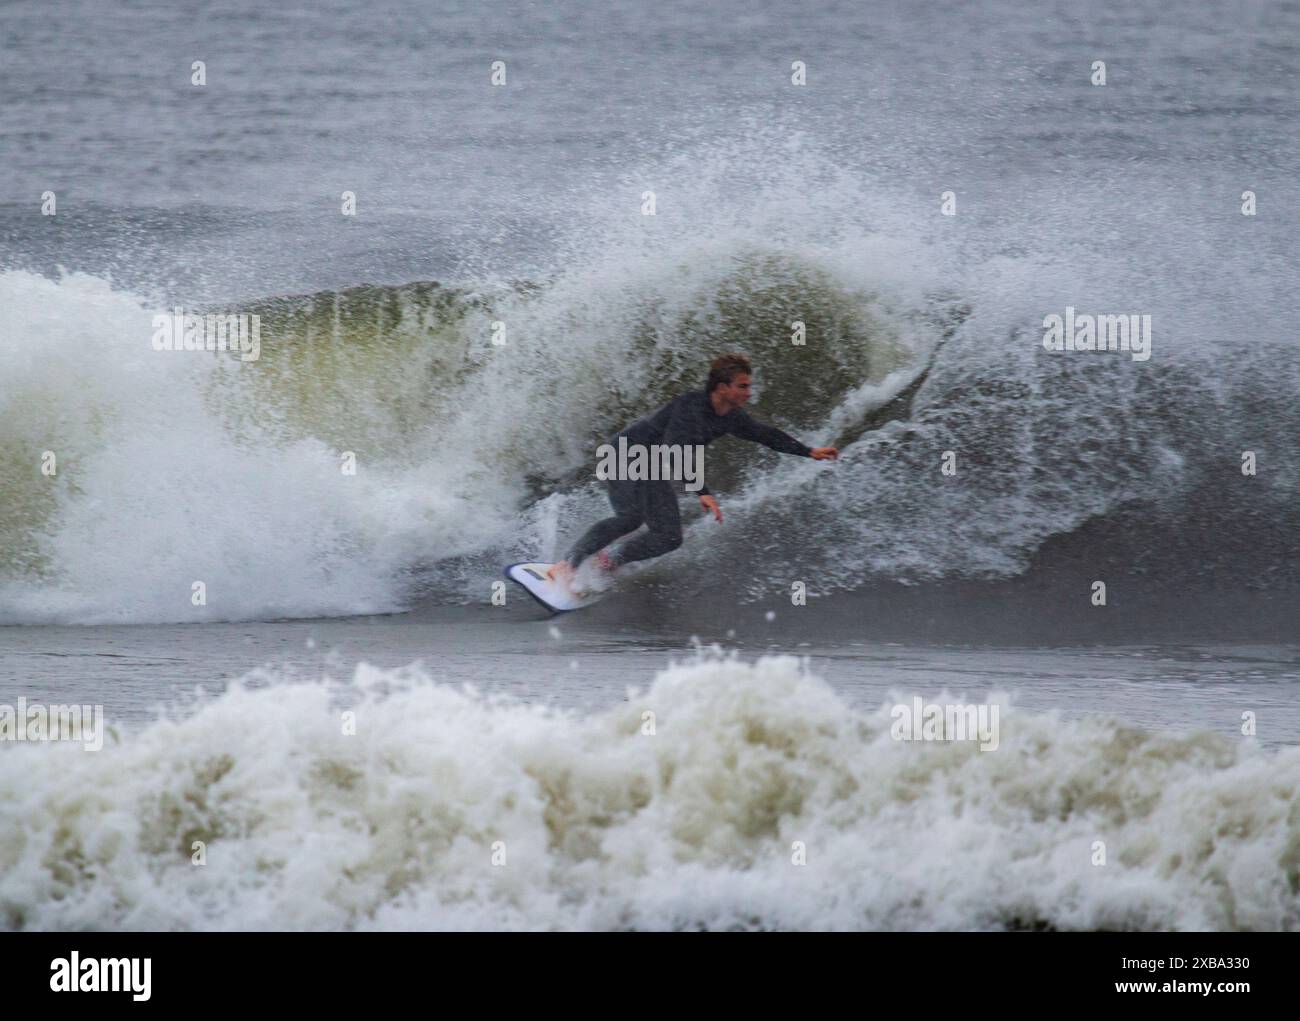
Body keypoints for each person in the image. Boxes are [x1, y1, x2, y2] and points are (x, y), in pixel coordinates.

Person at [548, 353, 838, 589]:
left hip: (649, 465)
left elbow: (765, 434)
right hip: (626, 453)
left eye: (749, 386)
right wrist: (703, 492)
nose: (749, 392)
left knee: (669, 536)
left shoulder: (730, 417)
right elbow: (676, 449)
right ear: (722, 388)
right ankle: (569, 564)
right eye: (742, 386)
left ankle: (608, 561)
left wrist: (808, 451)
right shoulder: (690, 408)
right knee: (630, 518)